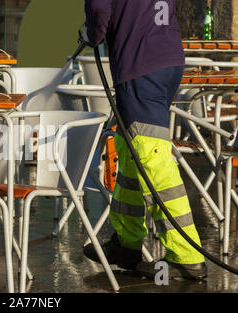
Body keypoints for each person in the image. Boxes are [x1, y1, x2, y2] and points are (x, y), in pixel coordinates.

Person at [82, 0, 207, 280]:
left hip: (140, 67)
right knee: (131, 149)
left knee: (152, 159)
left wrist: (93, 34)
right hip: (168, 60)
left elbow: (100, 10)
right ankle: (126, 244)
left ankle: (187, 256)